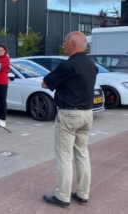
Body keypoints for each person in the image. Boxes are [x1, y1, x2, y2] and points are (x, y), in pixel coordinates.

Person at [42, 31, 97, 208]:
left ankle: (63, 196)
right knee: (82, 154)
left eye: (65, 41)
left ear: (73, 43)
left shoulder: (67, 65)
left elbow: (45, 83)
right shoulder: (91, 64)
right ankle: (82, 193)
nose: (63, 45)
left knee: (65, 157)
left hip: (69, 114)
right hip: (87, 114)